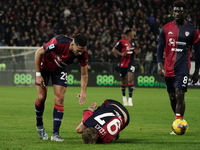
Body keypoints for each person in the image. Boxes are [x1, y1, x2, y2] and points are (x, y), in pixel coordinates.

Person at [156, 0, 200, 134]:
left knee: (180, 94)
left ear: (185, 12)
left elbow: (198, 52)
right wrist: (159, 63)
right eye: (175, 10)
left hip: (183, 68)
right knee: (172, 96)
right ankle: (178, 120)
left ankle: (178, 124)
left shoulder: (193, 30)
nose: (177, 13)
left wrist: (196, 70)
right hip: (169, 67)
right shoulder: (166, 28)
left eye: (179, 10)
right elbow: (160, 48)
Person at [35, 34, 88, 141]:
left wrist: (83, 91)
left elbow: (84, 74)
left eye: (83, 50)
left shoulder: (83, 54)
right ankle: (39, 125)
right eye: (79, 50)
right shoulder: (58, 42)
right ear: (72, 44)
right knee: (41, 98)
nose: (81, 53)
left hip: (59, 69)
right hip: (44, 66)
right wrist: (38, 75)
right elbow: (38, 52)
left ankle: (55, 134)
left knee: (60, 98)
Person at [112, 29, 135, 106]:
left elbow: (133, 52)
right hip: (123, 63)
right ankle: (124, 98)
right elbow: (113, 50)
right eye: (132, 34)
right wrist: (121, 54)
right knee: (123, 80)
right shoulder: (121, 42)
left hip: (131, 62)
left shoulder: (133, 43)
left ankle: (130, 99)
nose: (134, 35)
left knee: (130, 78)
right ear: (129, 35)